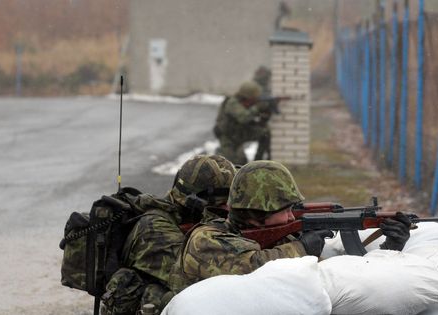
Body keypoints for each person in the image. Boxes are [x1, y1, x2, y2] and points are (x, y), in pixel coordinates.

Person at [169, 160, 412, 293]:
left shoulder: (280, 240)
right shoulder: (206, 239)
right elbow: (251, 267)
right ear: (254, 212)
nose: (289, 217)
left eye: (292, 208)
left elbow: (338, 281)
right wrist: (302, 248)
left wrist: (390, 248)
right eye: (282, 210)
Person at [101, 154, 236, 315]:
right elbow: (200, 278)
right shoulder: (155, 229)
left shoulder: (184, 219)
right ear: (196, 202)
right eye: (222, 205)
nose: (227, 211)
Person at [214, 81, 271, 165]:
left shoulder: (246, 103)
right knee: (228, 163)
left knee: (264, 133)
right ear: (247, 96)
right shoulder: (232, 102)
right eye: (253, 99)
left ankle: (257, 162)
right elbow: (243, 117)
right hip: (228, 137)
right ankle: (218, 154)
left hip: (239, 135)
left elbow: (253, 119)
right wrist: (257, 107)